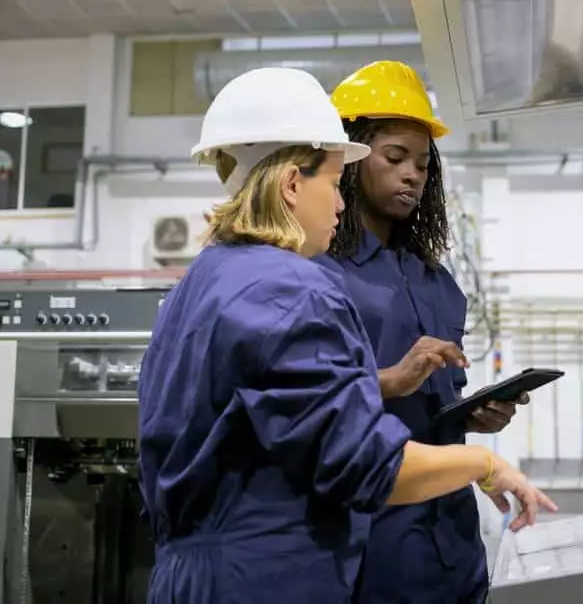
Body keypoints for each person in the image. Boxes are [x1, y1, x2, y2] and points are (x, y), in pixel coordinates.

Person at [137, 67, 556, 604]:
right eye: (334, 183)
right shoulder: (289, 286)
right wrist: (488, 463)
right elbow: (366, 465)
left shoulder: (203, 280)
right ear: (292, 183)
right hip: (269, 576)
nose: (339, 203)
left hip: (199, 574)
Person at [318, 61, 529, 604]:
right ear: (348, 160)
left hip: (451, 532)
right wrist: (390, 378)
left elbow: (439, 408)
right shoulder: (314, 274)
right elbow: (306, 402)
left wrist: (479, 412)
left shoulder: (438, 283)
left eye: (423, 164)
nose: (412, 174)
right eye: (394, 158)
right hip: (369, 536)